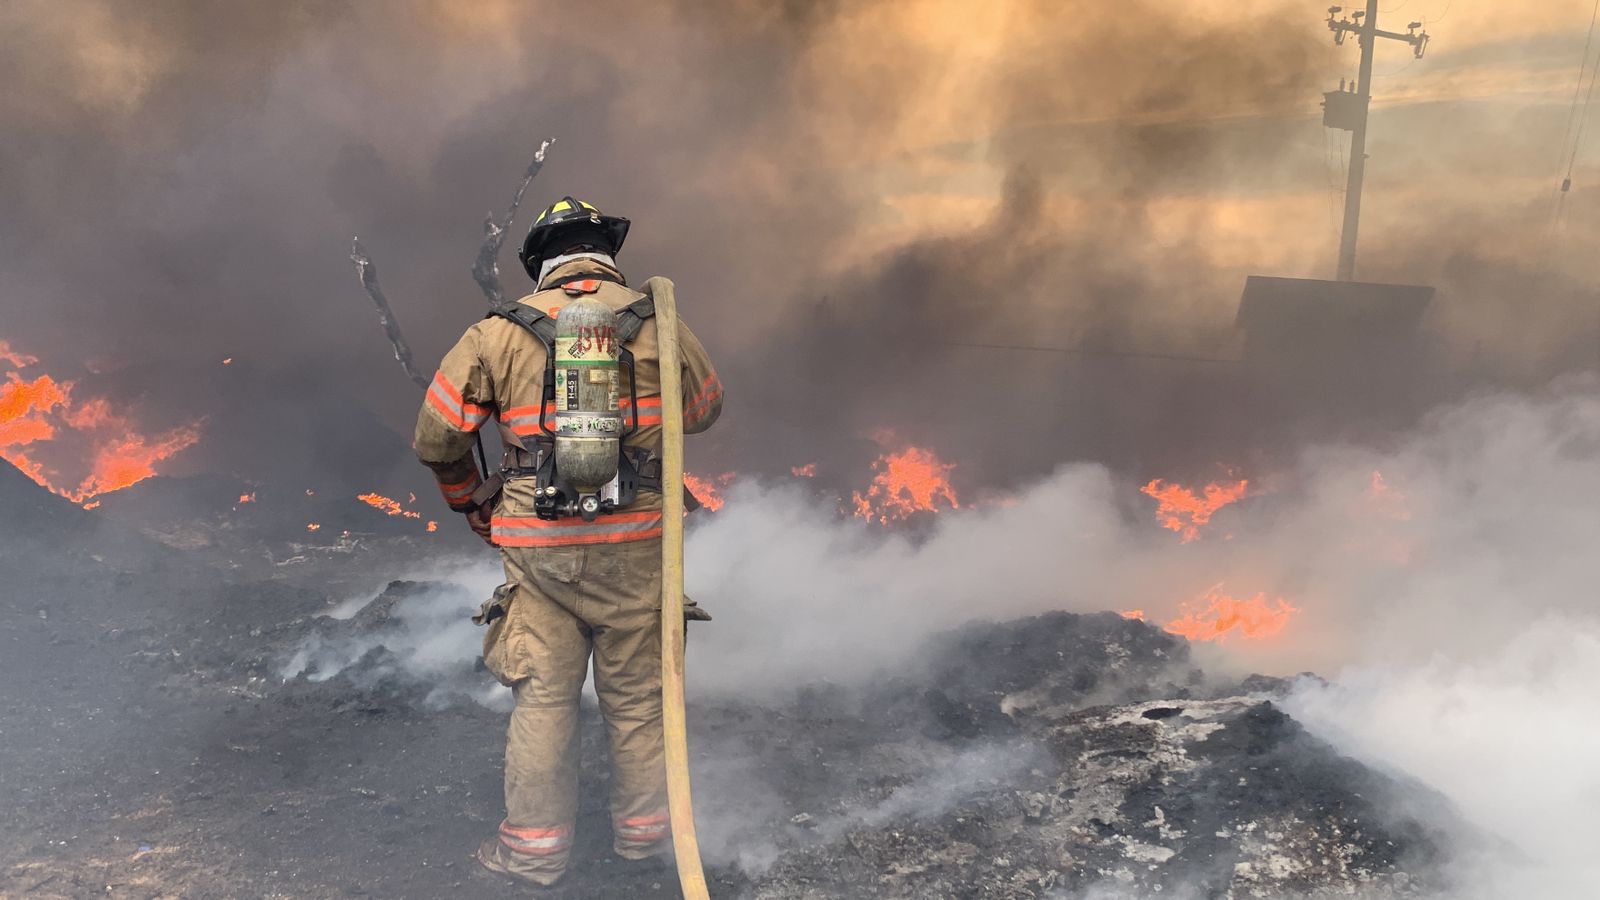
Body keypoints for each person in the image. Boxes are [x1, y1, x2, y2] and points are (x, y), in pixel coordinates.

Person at [414, 197, 723, 887]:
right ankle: (644, 844)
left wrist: (471, 502)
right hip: (639, 544)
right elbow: (703, 411)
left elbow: (436, 436)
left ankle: (533, 852)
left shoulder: (495, 331)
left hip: (538, 547)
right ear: (606, 253)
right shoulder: (658, 319)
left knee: (544, 699)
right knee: (641, 699)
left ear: (541, 265)